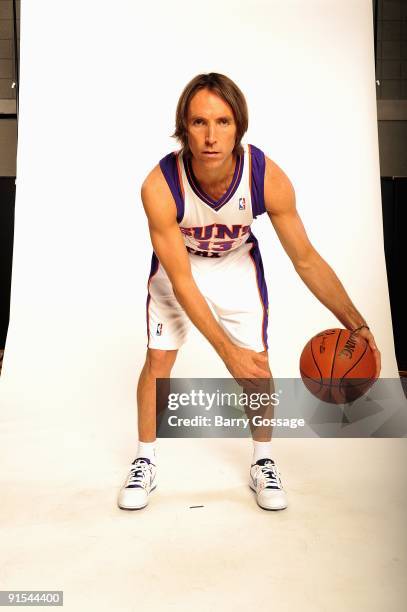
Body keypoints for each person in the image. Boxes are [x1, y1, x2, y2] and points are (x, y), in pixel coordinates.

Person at [118, 73, 381, 512]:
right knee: (158, 358)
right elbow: (182, 281)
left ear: (239, 125)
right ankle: (145, 458)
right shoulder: (159, 186)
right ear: (184, 126)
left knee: (256, 365)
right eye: (199, 122)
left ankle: (263, 460)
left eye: (222, 122)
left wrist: (357, 323)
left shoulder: (265, 176)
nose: (211, 136)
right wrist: (225, 353)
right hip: (179, 267)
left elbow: (307, 260)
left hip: (237, 264)